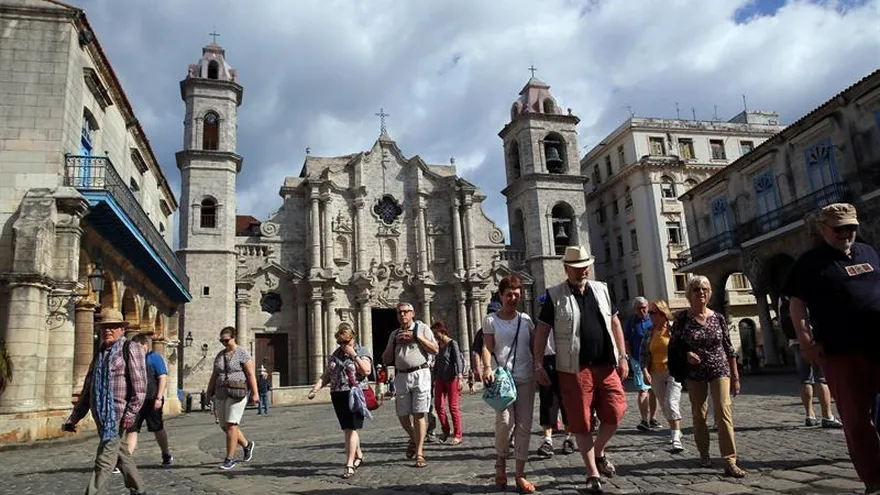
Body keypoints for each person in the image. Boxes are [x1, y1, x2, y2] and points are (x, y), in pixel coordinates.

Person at [783, 203, 880, 494]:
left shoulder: (869, 252)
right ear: (823, 229)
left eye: (851, 227)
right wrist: (805, 340)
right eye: (839, 229)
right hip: (841, 352)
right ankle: (874, 478)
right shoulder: (810, 263)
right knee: (855, 418)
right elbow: (796, 303)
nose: (846, 233)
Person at [534, 245, 629, 494]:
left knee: (616, 411)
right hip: (573, 369)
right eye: (576, 268)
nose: (582, 271)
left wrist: (623, 357)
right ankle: (592, 474)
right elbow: (542, 331)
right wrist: (538, 364)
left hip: (606, 365)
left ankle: (598, 451)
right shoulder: (554, 295)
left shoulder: (602, 289)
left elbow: (615, 322)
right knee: (582, 422)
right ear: (566, 269)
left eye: (585, 266)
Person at [63, 308, 150, 495]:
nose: (108, 330)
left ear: (122, 329)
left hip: (117, 413)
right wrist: (74, 417)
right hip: (100, 414)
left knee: (105, 457)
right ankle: (139, 489)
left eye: (113, 327)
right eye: (104, 327)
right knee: (121, 453)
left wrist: (132, 412)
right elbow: (88, 389)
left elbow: (140, 385)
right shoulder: (100, 353)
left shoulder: (130, 348)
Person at [670, 275, 745, 477]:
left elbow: (729, 348)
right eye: (696, 290)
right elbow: (674, 346)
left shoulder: (718, 318)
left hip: (720, 369)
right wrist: (686, 355)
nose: (701, 292)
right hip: (695, 374)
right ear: (689, 294)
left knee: (723, 412)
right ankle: (704, 454)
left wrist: (735, 375)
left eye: (704, 289)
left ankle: (730, 460)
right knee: (699, 415)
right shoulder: (682, 319)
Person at [481, 274, 537, 493]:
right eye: (508, 295)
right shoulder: (491, 320)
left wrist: (540, 368)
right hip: (503, 380)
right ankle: (501, 460)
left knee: (524, 426)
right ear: (501, 296)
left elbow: (534, 347)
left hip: (525, 377)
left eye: (516, 295)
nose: (512, 299)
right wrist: (487, 367)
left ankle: (520, 475)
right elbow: (487, 347)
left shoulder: (526, 320)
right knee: (505, 421)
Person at [308, 324, 373, 478]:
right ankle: (359, 455)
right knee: (348, 428)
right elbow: (326, 375)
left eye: (346, 342)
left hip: (354, 393)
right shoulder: (335, 354)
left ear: (353, 338)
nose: (344, 346)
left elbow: (366, 371)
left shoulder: (361, 351)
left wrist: (354, 355)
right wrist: (315, 389)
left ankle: (349, 464)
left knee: (351, 429)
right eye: (341, 343)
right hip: (337, 394)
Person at [382, 302, 439, 468]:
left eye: (406, 312)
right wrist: (393, 343)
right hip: (401, 376)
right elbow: (385, 359)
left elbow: (435, 349)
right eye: (399, 312)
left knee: (419, 413)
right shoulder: (394, 334)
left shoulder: (422, 328)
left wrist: (417, 338)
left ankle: (419, 452)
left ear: (413, 313)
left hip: (420, 374)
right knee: (402, 414)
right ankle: (414, 438)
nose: (402, 315)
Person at [777, 295, 842, 428]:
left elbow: (780, 320)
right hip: (813, 339)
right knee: (821, 378)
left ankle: (809, 415)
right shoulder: (807, 287)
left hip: (795, 341)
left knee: (805, 379)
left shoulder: (783, 296)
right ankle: (827, 416)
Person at [206, 326, 259, 470]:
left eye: (226, 340)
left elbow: (250, 374)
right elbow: (214, 375)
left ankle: (230, 458)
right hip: (221, 393)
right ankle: (247, 445)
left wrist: (255, 393)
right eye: (221, 340)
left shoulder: (242, 353)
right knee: (224, 426)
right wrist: (208, 393)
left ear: (233, 337)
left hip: (237, 392)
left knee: (231, 424)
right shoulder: (219, 355)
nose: (223, 343)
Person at [640, 300, 684, 453]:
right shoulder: (649, 332)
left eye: (652, 312)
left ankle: (676, 436)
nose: (649, 315)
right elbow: (644, 354)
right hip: (655, 372)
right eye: (649, 312)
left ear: (662, 313)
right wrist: (645, 371)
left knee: (671, 402)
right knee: (665, 405)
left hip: (673, 371)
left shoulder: (673, 330)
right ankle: (676, 428)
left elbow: (682, 348)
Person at [536, 294, 575, 459]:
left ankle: (568, 438)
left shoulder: (564, 322)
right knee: (547, 402)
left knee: (567, 400)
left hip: (564, 361)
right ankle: (548, 440)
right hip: (547, 361)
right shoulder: (539, 324)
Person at [124, 334, 173, 466]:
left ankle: (166, 453)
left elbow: (162, 377)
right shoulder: (131, 359)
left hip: (151, 399)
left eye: (139, 347)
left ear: (145, 345)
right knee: (132, 429)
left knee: (157, 428)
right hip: (135, 401)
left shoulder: (153, 357)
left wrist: (159, 398)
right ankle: (126, 461)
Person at [626, 297, 659, 431]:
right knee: (642, 389)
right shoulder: (631, 323)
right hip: (638, 360)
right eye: (639, 308)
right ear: (635, 309)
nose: (642, 310)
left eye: (644, 307)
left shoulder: (653, 320)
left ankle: (653, 418)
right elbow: (627, 340)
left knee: (654, 390)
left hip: (654, 360)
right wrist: (629, 357)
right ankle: (644, 420)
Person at [431, 321, 466, 445]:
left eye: (436, 333)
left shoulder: (452, 343)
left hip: (452, 378)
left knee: (453, 407)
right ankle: (446, 430)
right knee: (438, 405)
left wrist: (460, 377)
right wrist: (433, 378)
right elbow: (437, 362)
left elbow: (458, 361)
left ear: (442, 331)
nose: (434, 336)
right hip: (440, 378)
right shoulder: (438, 345)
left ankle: (458, 434)